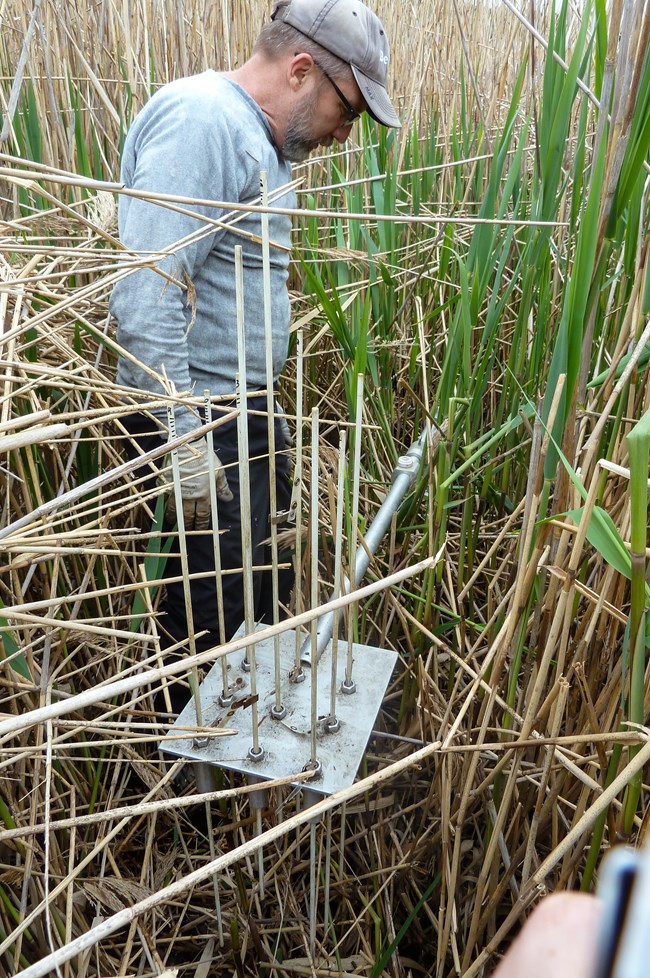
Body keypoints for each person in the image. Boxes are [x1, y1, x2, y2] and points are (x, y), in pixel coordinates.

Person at [109, 0, 401, 711]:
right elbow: (145, 296)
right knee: (206, 627)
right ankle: (195, 799)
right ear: (302, 69)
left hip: (239, 417)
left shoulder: (257, 142)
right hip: (199, 422)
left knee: (253, 605)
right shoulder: (203, 119)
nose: (344, 134)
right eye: (349, 111)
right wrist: (183, 443)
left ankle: (245, 779)